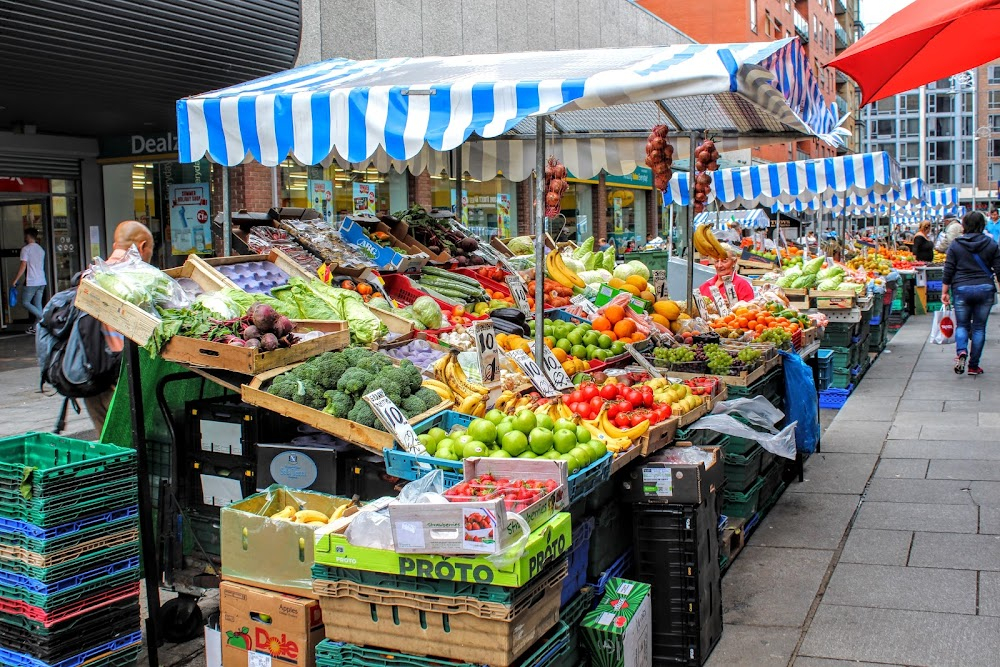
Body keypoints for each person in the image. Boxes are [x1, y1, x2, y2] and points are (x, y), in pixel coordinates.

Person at [83, 221, 155, 433]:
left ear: (115, 244)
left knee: (108, 446)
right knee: (134, 444)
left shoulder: (89, 277)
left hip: (93, 380)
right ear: (142, 246)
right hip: (123, 378)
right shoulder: (140, 280)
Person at [942, 211, 1000, 376]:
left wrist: (945, 291)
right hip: (985, 289)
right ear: (982, 225)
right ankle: (974, 366)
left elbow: (949, 269)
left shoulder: (956, 244)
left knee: (962, 325)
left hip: (961, 289)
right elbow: (999, 270)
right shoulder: (991, 244)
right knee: (979, 327)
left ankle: (961, 352)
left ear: (964, 225)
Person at [11, 227, 46, 334]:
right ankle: (36, 328)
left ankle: (44, 319)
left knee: (25, 302)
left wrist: (15, 280)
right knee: (37, 304)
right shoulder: (41, 249)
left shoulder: (26, 249)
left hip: (32, 281)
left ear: (28, 236)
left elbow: (23, 266)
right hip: (42, 281)